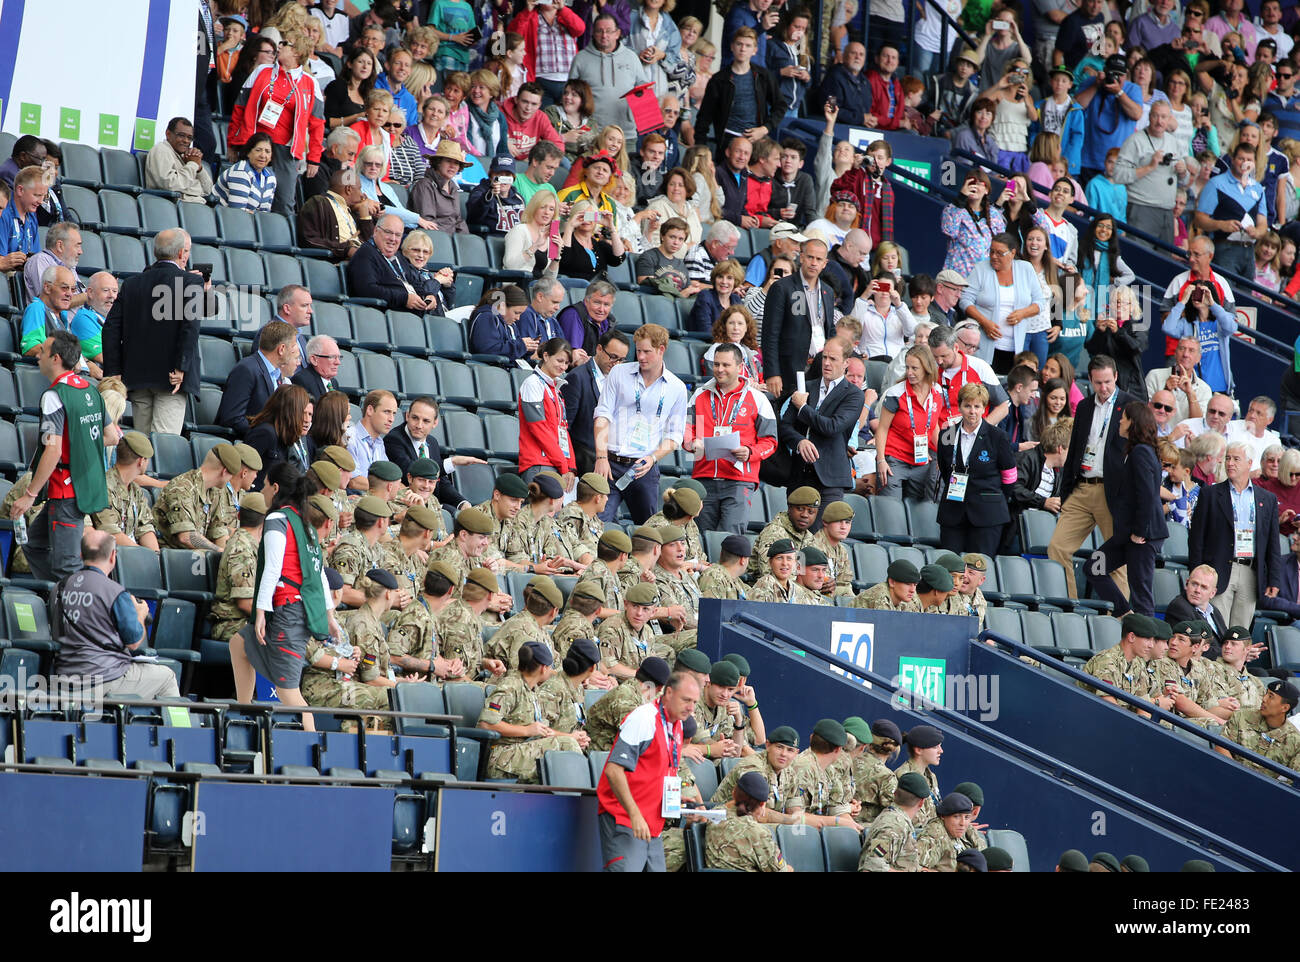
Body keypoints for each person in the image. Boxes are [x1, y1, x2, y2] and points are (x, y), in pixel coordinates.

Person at [230, 475, 342, 733]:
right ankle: (244, 712)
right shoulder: (307, 526)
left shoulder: (277, 519)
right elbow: (319, 576)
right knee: (239, 643)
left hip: (287, 613)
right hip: (299, 610)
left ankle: (311, 753)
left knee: (288, 691)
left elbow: (272, 569)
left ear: (276, 487)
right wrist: (330, 616)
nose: (264, 489)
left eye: (267, 484)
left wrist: (260, 612)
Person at [10, 331, 115, 582]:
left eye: (43, 352)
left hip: (65, 491)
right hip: (86, 485)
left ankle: (73, 607)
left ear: (56, 358)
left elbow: (53, 450)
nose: (38, 356)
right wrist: (81, 450)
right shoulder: (90, 389)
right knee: (33, 544)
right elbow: (112, 435)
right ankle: (56, 597)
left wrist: (29, 495)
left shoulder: (53, 396)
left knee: (65, 567)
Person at [1047, 355, 1139, 599]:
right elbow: (1076, 448)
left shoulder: (1131, 406)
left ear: (1116, 377)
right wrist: (1066, 493)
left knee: (1117, 560)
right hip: (1083, 487)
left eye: (1108, 381)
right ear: (1090, 380)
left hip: (1113, 493)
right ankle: (1068, 607)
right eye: (1098, 382)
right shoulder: (1086, 406)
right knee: (1057, 548)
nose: (1104, 388)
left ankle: (1121, 619)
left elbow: (1140, 451)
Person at [100, 230, 207, 437]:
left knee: (141, 443)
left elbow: (111, 328)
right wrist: (181, 367)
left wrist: (114, 370)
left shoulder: (132, 283)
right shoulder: (191, 282)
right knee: (162, 444)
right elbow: (189, 327)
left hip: (138, 376)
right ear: (180, 254)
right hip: (172, 378)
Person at [51, 529, 179, 700]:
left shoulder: (59, 587)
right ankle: (179, 727)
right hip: (104, 678)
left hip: (64, 676)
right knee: (167, 676)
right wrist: (139, 614)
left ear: (81, 555)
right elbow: (134, 643)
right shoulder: (115, 592)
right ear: (113, 556)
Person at [592, 323, 688, 524]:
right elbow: (602, 415)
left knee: (647, 529)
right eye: (638, 351)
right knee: (600, 523)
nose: (641, 357)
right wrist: (601, 456)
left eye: (647, 352)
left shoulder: (677, 388)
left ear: (661, 350)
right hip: (610, 461)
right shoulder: (619, 373)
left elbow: (675, 435)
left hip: (642, 467)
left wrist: (653, 458)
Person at [228, 28, 325, 217]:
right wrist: (233, 142)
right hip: (254, 142)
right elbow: (239, 108)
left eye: (285, 44)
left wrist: (314, 158)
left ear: (297, 52)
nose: (279, 46)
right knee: (245, 197)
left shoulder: (310, 83)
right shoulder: (262, 71)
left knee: (283, 202)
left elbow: (317, 123)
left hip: (286, 149)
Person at [1084, 402, 1168, 617]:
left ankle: (1144, 641)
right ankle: (1124, 614)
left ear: (1133, 423)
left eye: (1124, 418)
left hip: (1141, 535)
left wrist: (1139, 531)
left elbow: (1148, 495)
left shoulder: (1141, 452)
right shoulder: (1140, 451)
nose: (1120, 421)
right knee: (1094, 566)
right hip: (1129, 534)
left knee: (1141, 592)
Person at [1189, 440, 1283, 629]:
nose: (1230, 463)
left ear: (1249, 463)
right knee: (1216, 627)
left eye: (1236, 459)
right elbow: (1196, 538)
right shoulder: (1210, 493)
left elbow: (1273, 542)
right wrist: (1196, 573)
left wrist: (1274, 578)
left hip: (1250, 571)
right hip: (1218, 569)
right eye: (1228, 458)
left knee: (1240, 634)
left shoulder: (1267, 499)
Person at [684, 343, 777, 535]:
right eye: (716, 364)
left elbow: (770, 441)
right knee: (702, 537)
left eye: (725, 365)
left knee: (730, 538)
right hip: (704, 476)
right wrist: (692, 443)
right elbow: (686, 428)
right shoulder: (700, 395)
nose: (719, 369)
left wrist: (750, 452)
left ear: (740, 366)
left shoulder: (757, 398)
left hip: (739, 479)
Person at [779, 337, 864, 510]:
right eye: (824, 357)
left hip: (830, 477)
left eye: (833, 359)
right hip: (800, 474)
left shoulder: (854, 394)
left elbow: (832, 427)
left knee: (821, 535)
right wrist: (799, 441)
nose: (826, 363)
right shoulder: (806, 387)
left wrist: (802, 407)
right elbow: (783, 426)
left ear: (846, 362)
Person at [935, 382, 1017, 557]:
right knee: (949, 566)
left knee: (977, 568)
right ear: (960, 407)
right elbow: (944, 469)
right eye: (967, 406)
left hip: (987, 513)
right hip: (953, 511)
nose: (972, 411)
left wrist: (994, 497)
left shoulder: (997, 436)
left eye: (977, 406)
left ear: (984, 408)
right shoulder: (947, 435)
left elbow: (1010, 476)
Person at [958, 232, 1051, 373]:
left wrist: (1022, 313)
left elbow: (1040, 302)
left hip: (1016, 348)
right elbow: (965, 300)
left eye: (1000, 253)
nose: (994, 256)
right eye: (991, 251)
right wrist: (984, 322)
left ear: (1012, 253)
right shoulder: (981, 269)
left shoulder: (1025, 268)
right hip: (985, 344)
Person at [759, 237, 835, 399]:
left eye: (819, 259)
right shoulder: (782, 287)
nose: (814, 263)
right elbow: (770, 334)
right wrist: (772, 373)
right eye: (810, 257)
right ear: (801, 257)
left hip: (820, 367)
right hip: (790, 370)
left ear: (825, 263)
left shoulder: (828, 292)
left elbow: (830, 331)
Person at [1114, 100, 1188, 245]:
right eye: (1155, 116)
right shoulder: (1135, 140)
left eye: (1164, 117)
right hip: (1142, 208)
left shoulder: (1173, 142)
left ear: (1170, 119)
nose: (1159, 121)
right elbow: (1118, 174)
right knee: (1139, 258)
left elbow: (1185, 181)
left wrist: (1183, 172)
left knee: (1164, 260)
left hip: (1168, 211)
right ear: (1149, 117)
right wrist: (1149, 167)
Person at [568, 14, 651, 142]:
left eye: (608, 31)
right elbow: (569, 95)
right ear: (593, 33)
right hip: (592, 133)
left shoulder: (631, 57)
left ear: (617, 33)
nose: (604, 35)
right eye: (599, 31)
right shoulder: (580, 58)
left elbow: (643, 88)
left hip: (626, 133)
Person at [1194, 141, 1268, 279]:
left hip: (1249, 251)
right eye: (1241, 158)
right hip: (1224, 248)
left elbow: (1263, 223)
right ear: (1233, 160)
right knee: (1226, 295)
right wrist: (1221, 225)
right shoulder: (1216, 183)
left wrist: (1257, 232)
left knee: (1245, 298)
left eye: (1249, 160)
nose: (1245, 163)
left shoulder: (1258, 189)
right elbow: (1199, 219)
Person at [695, 28, 776, 150]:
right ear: (732, 47)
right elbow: (704, 117)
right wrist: (700, 148)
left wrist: (765, 128)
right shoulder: (719, 79)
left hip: (756, 139)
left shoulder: (763, 76)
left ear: (755, 50)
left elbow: (780, 105)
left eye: (748, 45)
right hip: (728, 140)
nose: (743, 49)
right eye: (739, 44)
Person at [562, 327, 628, 474]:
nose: (616, 363)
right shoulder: (577, 377)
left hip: (612, 460)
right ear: (599, 349)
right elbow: (565, 427)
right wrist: (569, 466)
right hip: (584, 460)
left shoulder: (621, 381)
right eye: (613, 356)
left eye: (622, 360)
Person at [215, 321, 298, 437]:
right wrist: (267, 434)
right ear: (281, 349)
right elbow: (232, 418)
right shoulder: (246, 369)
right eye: (293, 346)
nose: (295, 351)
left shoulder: (277, 375)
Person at [1162, 281, 1238, 398]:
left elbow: (1231, 327)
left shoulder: (1220, 321)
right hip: (1194, 386)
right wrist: (1183, 301)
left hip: (1219, 386)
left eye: (1202, 292)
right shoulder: (1187, 323)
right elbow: (1167, 328)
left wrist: (1212, 303)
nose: (1197, 296)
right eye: (1194, 293)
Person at [518, 337, 578, 486]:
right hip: (538, 464)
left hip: (555, 464)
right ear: (545, 356)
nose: (563, 367)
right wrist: (563, 465)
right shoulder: (532, 384)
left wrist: (571, 466)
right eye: (559, 361)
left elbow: (562, 430)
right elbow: (539, 429)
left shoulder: (556, 389)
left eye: (566, 363)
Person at [1216, 679, 1300, 775]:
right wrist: (1237, 775)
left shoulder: (1295, 740)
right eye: (1266, 694)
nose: (1264, 699)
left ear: (1284, 708)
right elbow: (1221, 747)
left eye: (1271, 697)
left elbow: (1295, 779)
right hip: (1229, 775)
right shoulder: (1242, 717)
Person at [858, 770, 929, 872]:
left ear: (895, 794)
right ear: (921, 803)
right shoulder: (892, 826)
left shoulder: (898, 822)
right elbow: (872, 867)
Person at [941, 170, 1007, 277]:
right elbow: (949, 231)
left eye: (980, 184)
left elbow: (1002, 243)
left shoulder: (994, 214)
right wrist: (961, 197)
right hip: (958, 276)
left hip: (984, 277)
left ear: (986, 190)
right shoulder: (954, 209)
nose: (975, 187)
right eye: (972, 183)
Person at [145, 117, 215, 205]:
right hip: (171, 206)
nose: (186, 141)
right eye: (181, 135)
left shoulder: (185, 156)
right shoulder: (161, 150)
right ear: (168, 134)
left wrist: (199, 167)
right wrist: (192, 164)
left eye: (189, 138)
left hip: (191, 205)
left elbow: (208, 190)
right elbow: (170, 185)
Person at [212, 131, 278, 212]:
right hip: (226, 219)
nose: (263, 155)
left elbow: (265, 212)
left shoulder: (271, 177)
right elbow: (237, 212)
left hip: (250, 221)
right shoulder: (240, 172)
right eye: (258, 150)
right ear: (248, 152)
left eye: (267, 151)